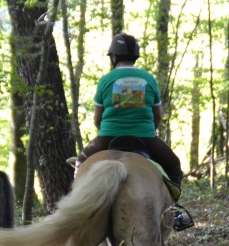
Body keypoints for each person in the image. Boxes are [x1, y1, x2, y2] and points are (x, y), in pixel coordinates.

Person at [76, 33, 193, 230]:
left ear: (113, 57)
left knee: (80, 164)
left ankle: (74, 207)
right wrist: (147, 130)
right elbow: (157, 116)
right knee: (173, 165)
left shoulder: (105, 81)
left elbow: (98, 117)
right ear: (136, 56)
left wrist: (106, 130)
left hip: (108, 137)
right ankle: (174, 211)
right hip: (145, 138)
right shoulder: (148, 79)